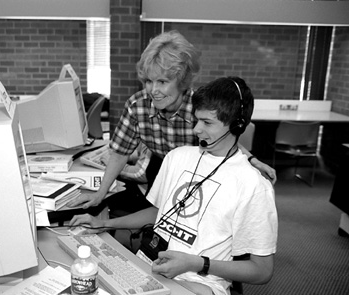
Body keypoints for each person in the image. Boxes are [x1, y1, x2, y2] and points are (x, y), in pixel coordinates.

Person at [69, 76, 278, 295]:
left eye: (207, 123)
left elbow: (262, 270)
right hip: (150, 269)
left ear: (236, 125)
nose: (196, 129)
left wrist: (197, 264)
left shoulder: (253, 185)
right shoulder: (177, 157)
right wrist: (104, 223)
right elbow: (159, 214)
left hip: (198, 284)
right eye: (196, 120)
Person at [69, 30, 276, 212]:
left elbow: (224, 138)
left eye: (163, 82)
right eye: (149, 81)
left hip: (196, 175)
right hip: (161, 168)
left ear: (182, 81)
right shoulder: (137, 106)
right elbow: (119, 154)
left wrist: (252, 160)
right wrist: (100, 193)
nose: (153, 90)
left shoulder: (197, 108)